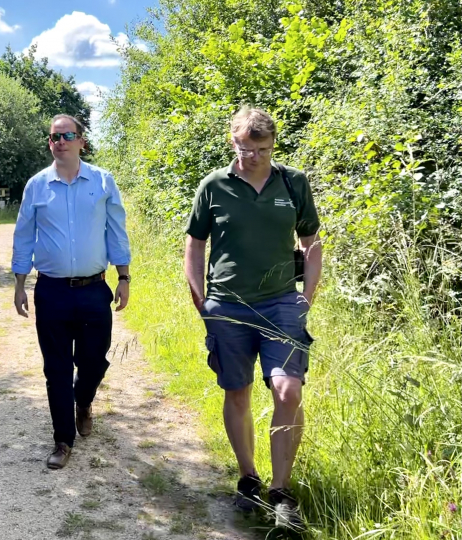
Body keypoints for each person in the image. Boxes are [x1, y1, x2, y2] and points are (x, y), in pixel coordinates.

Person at [183, 107, 322, 530]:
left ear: (273, 145)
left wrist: (307, 298)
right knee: (237, 391)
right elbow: (194, 245)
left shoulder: (293, 182)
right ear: (233, 142)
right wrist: (200, 301)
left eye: (262, 149)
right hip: (227, 305)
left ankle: (281, 491)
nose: (253, 157)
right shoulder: (214, 186)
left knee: (288, 390)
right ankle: (249, 478)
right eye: (246, 149)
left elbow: (311, 243)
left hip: (282, 302)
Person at [12, 114, 132, 470]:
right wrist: (19, 283)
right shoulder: (37, 186)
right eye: (54, 137)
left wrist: (124, 277)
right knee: (57, 368)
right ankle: (62, 439)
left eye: (67, 135)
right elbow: (23, 235)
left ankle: (84, 400)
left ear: (82, 141)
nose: (60, 141)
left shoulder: (102, 181)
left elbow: (117, 232)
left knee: (94, 361)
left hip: (95, 289)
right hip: (51, 291)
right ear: (49, 143)